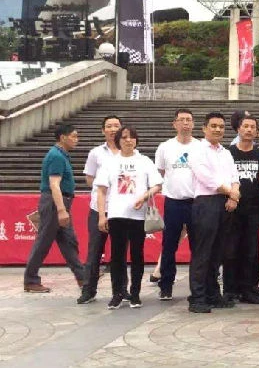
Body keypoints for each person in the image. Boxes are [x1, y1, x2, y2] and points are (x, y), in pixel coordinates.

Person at [95, 126, 163, 309]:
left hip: (138, 216)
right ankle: (117, 293)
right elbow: (101, 191)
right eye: (124, 137)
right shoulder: (110, 162)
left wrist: (144, 196)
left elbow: (157, 184)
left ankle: (135, 293)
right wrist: (102, 215)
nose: (128, 140)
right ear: (118, 140)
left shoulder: (144, 161)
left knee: (137, 254)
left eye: (132, 137)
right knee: (117, 256)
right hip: (116, 214)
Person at [187, 112, 241, 314]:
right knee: (203, 252)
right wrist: (231, 192)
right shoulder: (197, 150)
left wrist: (233, 196)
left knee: (218, 252)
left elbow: (234, 176)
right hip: (206, 203)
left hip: (226, 203)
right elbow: (206, 177)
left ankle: (213, 294)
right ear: (204, 128)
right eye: (214, 126)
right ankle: (197, 297)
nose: (218, 129)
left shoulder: (226, 152)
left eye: (221, 126)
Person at [24, 124, 84, 294]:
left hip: (60, 202)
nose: (76, 140)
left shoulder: (61, 155)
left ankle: (82, 276)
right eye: (73, 136)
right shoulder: (56, 156)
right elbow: (54, 184)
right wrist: (61, 210)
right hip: (55, 203)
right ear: (63, 137)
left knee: (68, 241)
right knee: (43, 241)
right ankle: (31, 280)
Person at [154, 109, 198, 302]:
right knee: (169, 245)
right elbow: (160, 173)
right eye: (182, 120)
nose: (186, 123)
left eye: (189, 120)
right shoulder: (165, 147)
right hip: (173, 202)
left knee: (198, 246)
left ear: (193, 124)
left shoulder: (200, 147)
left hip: (196, 202)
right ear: (174, 124)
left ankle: (197, 287)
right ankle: (166, 285)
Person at [78, 115, 122, 304]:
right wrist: (104, 185)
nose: (113, 129)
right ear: (103, 130)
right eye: (109, 126)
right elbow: (89, 179)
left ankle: (120, 291)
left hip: (121, 208)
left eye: (116, 126)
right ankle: (88, 290)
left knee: (120, 251)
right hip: (99, 208)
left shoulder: (129, 152)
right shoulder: (96, 153)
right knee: (95, 251)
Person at [225, 114, 259, 304]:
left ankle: (249, 288)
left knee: (251, 250)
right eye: (246, 126)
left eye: (252, 127)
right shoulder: (229, 153)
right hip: (232, 208)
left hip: (253, 209)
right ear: (238, 129)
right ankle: (230, 289)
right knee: (231, 249)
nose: (249, 130)